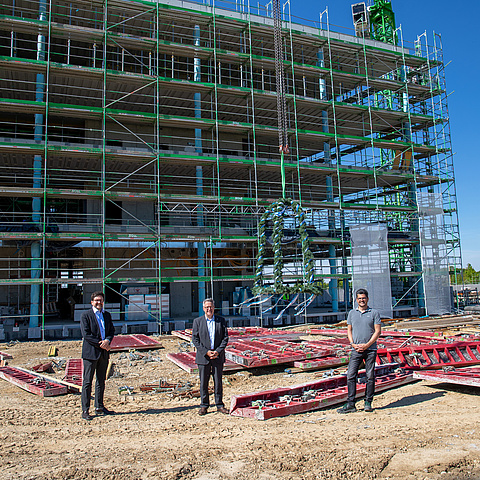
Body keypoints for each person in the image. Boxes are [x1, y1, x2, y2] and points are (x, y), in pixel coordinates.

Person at [337, 288, 382, 414]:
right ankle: (351, 403)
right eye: (359, 298)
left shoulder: (374, 313)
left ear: (367, 299)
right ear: (356, 300)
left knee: (370, 376)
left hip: (370, 349)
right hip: (356, 349)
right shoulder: (352, 313)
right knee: (351, 375)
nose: (362, 300)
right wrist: (353, 344)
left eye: (363, 298)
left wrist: (367, 345)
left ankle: (368, 402)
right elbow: (349, 330)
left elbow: (377, 331)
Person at [80, 291, 115, 420]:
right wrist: (101, 344)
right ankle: (85, 410)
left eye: (100, 300)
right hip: (91, 353)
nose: (98, 302)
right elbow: (86, 334)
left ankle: (99, 406)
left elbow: (111, 331)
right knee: (87, 382)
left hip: (103, 354)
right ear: (92, 302)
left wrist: (108, 341)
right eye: (96, 300)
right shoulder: (86, 315)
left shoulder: (106, 315)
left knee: (101, 381)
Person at [192, 298, 229, 415]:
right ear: (203, 309)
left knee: (218, 381)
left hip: (217, 357)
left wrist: (217, 351)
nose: (209, 309)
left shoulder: (221, 321)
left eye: (211, 307)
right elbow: (195, 339)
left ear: (214, 308)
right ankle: (204, 405)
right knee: (204, 382)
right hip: (204, 357)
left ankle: (219, 404)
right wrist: (206, 352)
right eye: (207, 307)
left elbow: (225, 338)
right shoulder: (197, 322)